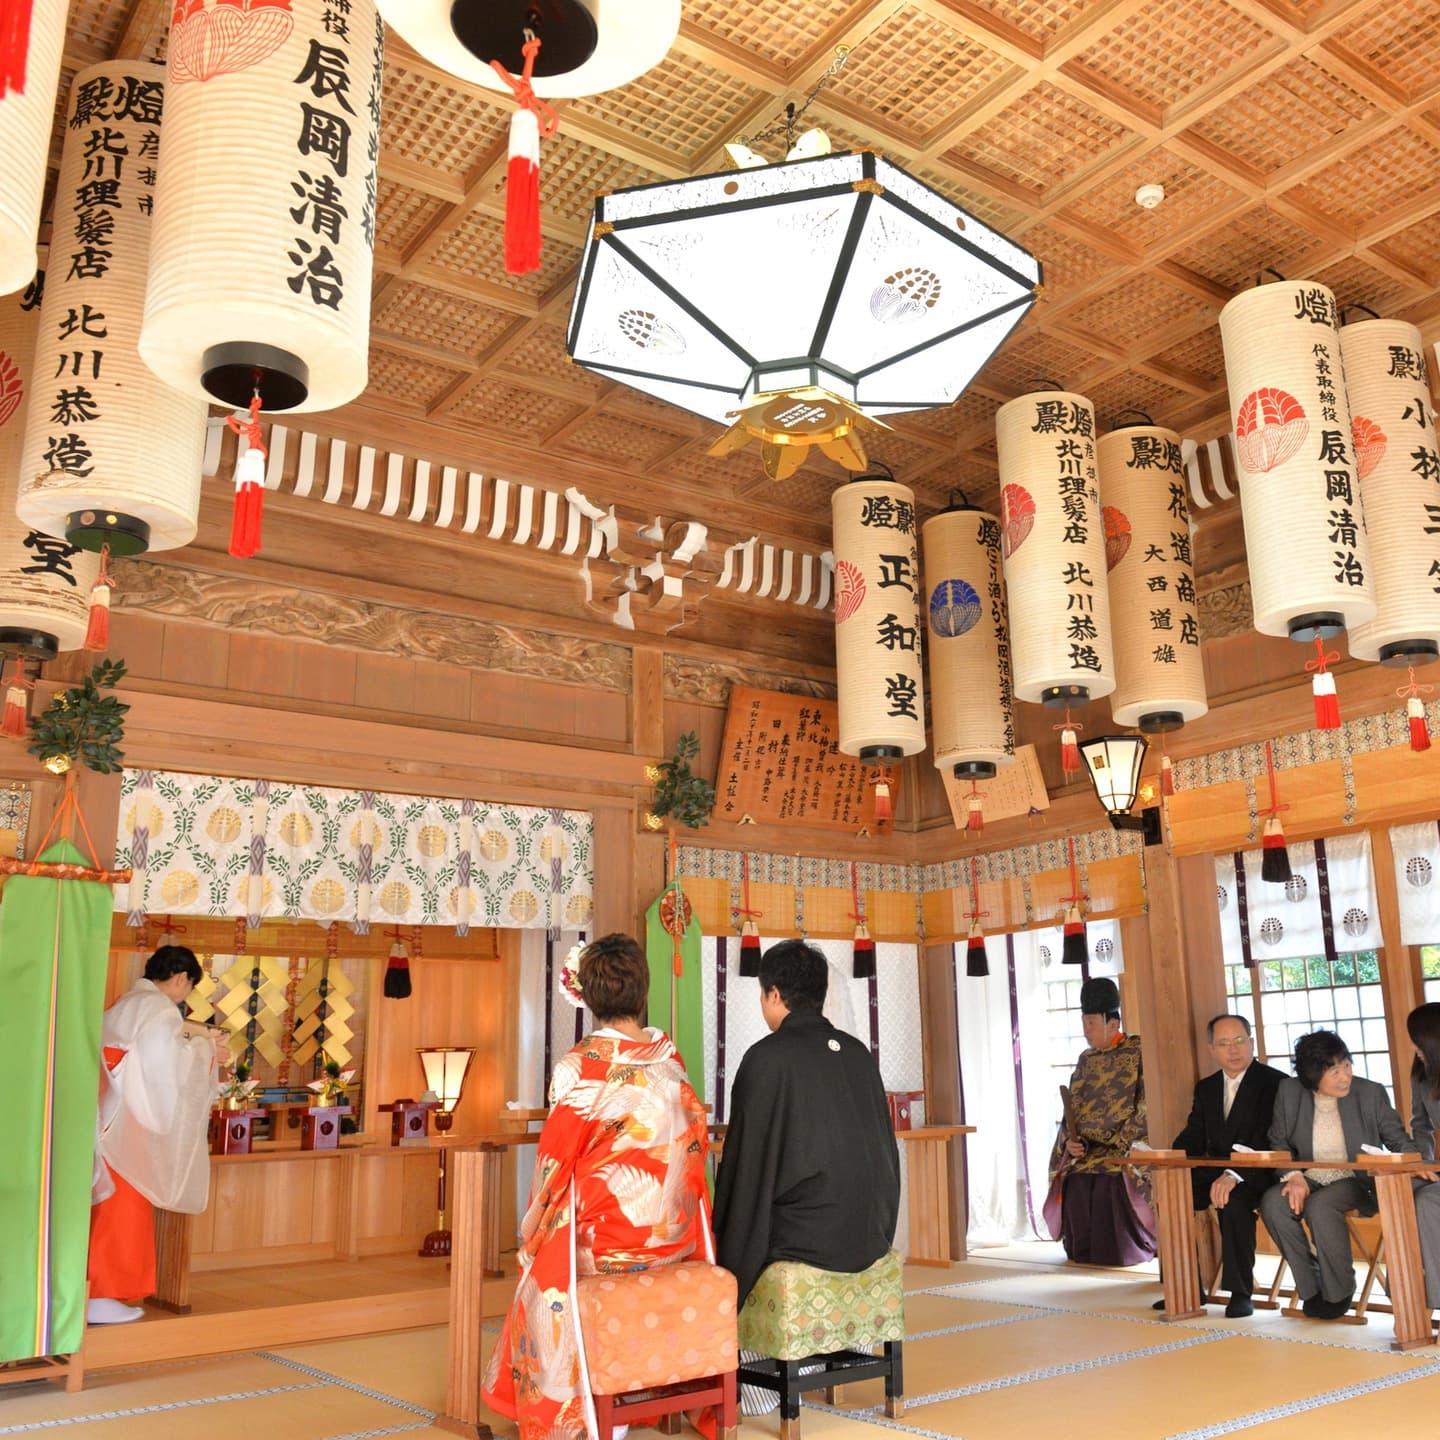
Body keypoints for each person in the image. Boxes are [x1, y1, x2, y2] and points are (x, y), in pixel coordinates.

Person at [482, 933, 711, 1440]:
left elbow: (554, 1163)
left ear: (587, 997)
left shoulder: (578, 1068)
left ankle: (587, 1413)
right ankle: (636, 1395)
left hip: (609, 1247)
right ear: (642, 991)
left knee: (539, 1271)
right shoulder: (669, 1062)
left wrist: (530, 1231)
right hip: (673, 1237)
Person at [713, 938, 899, 1307]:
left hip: (808, 1240)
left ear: (774, 994)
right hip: (870, 1235)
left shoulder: (767, 1058)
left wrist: (725, 1243)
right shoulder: (858, 1053)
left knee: (729, 1239)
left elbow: (747, 1166)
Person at [88, 945, 221, 1324]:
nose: (184, 995)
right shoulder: (159, 1011)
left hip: (106, 1117)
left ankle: (92, 1289)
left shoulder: (122, 1005)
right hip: (132, 1124)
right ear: (180, 978)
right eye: (188, 987)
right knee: (125, 1210)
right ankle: (105, 1292)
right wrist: (206, 1051)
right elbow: (164, 1070)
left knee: (104, 1207)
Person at [1260, 1029, 1410, 1319]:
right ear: (1312, 1076)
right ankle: (1311, 1287)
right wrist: (1293, 1175)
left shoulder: (1370, 1092)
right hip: (1309, 1176)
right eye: (1334, 1071)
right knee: (1273, 1203)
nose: (1344, 1077)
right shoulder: (1290, 1091)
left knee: (1321, 1205)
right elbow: (1278, 1141)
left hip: (1355, 1180)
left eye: (1347, 1065)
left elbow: (1399, 1142)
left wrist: (1418, 1166)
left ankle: (1339, 1291)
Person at [1165, 1013, 1286, 1317]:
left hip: (1259, 1171)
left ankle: (1240, 1291)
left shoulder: (1275, 1083)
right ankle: (1186, 1287)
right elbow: (1194, 1135)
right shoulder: (1206, 1088)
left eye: (1239, 1040)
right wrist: (1167, 1157)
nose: (1233, 1049)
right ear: (1212, 1050)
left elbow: (1270, 1138)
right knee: (1172, 1194)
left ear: (1252, 1043)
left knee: (1233, 1201)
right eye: (1223, 1043)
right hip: (1216, 1169)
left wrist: (1234, 1174)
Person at [1044, 976, 1156, 1267]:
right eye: (1084, 1023)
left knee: (1109, 1181)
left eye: (1092, 1023)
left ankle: (1127, 1249)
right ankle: (1082, 1251)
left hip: (1126, 1147)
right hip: (1089, 1149)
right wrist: (1073, 1142)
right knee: (1077, 1179)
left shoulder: (1139, 1052)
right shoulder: (1086, 1060)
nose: (1086, 1031)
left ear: (1113, 1023)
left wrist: (1121, 1143)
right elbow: (1073, 1112)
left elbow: (1147, 1105)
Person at [1405, 1003, 1440, 1313]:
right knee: (1403, 1193)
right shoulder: (1421, 1075)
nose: (1413, 1048)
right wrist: (1422, 1165)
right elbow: (1421, 1127)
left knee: (1427, 1201)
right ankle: (1405, 1295)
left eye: (1416, 1041)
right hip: (1437, 1170)